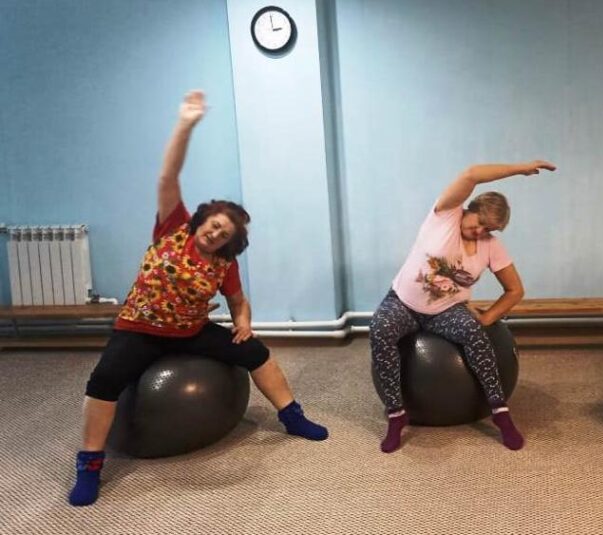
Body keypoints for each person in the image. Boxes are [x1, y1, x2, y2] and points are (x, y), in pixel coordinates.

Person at [69, 91, 328, 507]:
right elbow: (167, 177)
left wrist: (243, 322)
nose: (216, 233)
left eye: (225, 233)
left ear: (230, 242)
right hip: (139, 328)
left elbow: (239, 301)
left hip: (190, 331)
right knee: (103, 382)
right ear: (203, 219)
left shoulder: (224, 264)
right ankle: (90, 465)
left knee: (256, 352)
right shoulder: (173, 227)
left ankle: (292, 416)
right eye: (214, 225)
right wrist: (186, 124)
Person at [370, 161, 556, 453]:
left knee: (475, 335)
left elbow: (515, 290)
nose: (480, 231)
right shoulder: (444, 215)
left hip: (446, 311)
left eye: (488, 229)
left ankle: (500, 412)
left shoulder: (491, 246)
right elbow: (471, 174)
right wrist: (520, 169)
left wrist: (488, 317)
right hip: (403, 303)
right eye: (479, 223)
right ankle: (396, 414)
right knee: (380, 329)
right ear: (471, 208)